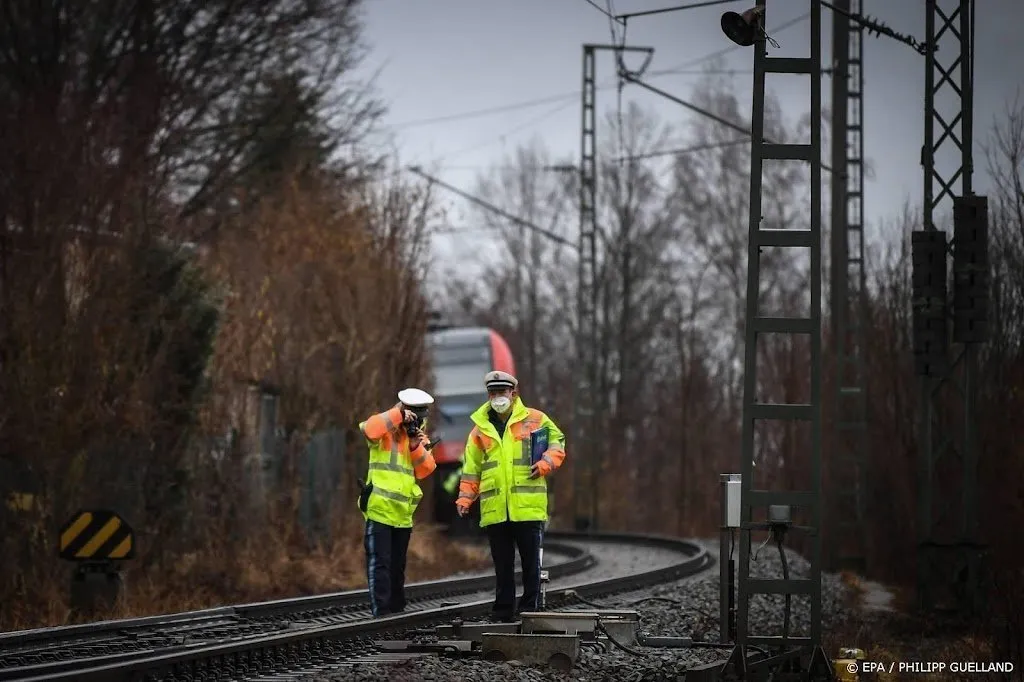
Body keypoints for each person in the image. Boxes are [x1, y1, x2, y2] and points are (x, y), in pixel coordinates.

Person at [455, 370, 566, 622]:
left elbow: (557, 442)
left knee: (530, 563)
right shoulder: (479, 430)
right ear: (488, 395)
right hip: (495, 507)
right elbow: (472, 469)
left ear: (513, 393)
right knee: (502, 565)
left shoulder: (536, 419)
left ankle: (529, 608)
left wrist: (546, 463)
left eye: (501, 392)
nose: (497, 397)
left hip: (527, 505)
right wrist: (465, 498)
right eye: (493, 393)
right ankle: (503, 610)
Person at [357, 387, 437, 617]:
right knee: (380, 564)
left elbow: (426, 469)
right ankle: (381, 613)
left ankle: (396, 611)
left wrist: (415, 445)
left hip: (402, 514)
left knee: (397, 567)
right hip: (380, 509)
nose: (418, 422)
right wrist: (397, 414)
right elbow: (369, 428)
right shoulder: (383, 430)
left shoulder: (415, 436)